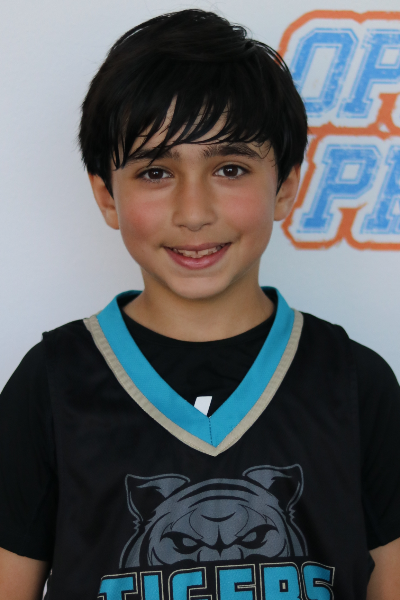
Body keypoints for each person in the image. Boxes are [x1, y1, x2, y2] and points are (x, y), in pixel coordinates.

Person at [0, 9, 399, 600]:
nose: (193, 212)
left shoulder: (356, 383)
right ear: (107, 196)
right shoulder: (52, 384)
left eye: (230, 168)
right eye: (155, 172)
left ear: (286, 186)